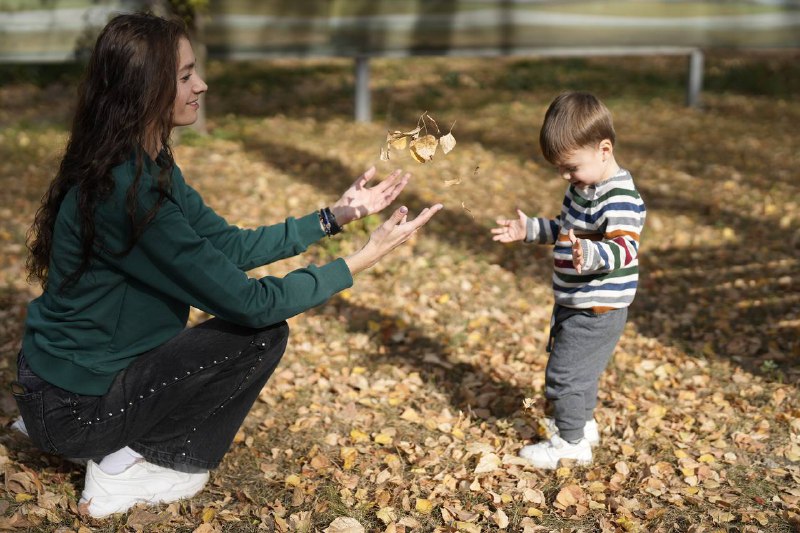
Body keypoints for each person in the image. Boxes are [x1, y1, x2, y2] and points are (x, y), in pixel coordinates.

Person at [11, 12, 443, 518]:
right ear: (146, 88)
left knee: (250, 329)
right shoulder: (127, 196)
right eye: (186, 75)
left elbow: (227, 247)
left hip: (62, 394)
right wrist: (361, 260)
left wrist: (334, 217)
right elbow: (249, 305)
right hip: (73, 410)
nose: (203, 84)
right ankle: (126, 466)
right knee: (259, 334)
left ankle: (98, 435)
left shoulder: (141, 165)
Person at [491, 91, 646, 469]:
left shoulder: (620, 197)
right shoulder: (583, 187)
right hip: (576, 300)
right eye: (560, 168)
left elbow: (626, 247)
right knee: (581, 371)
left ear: (604, 149)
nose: (565, 176)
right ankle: (582, 424)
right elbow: (565, 228)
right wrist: (530, 229)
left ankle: (570, 444)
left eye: (571, 167)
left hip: (597, 307)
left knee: (564, 376)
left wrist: (592, 255)